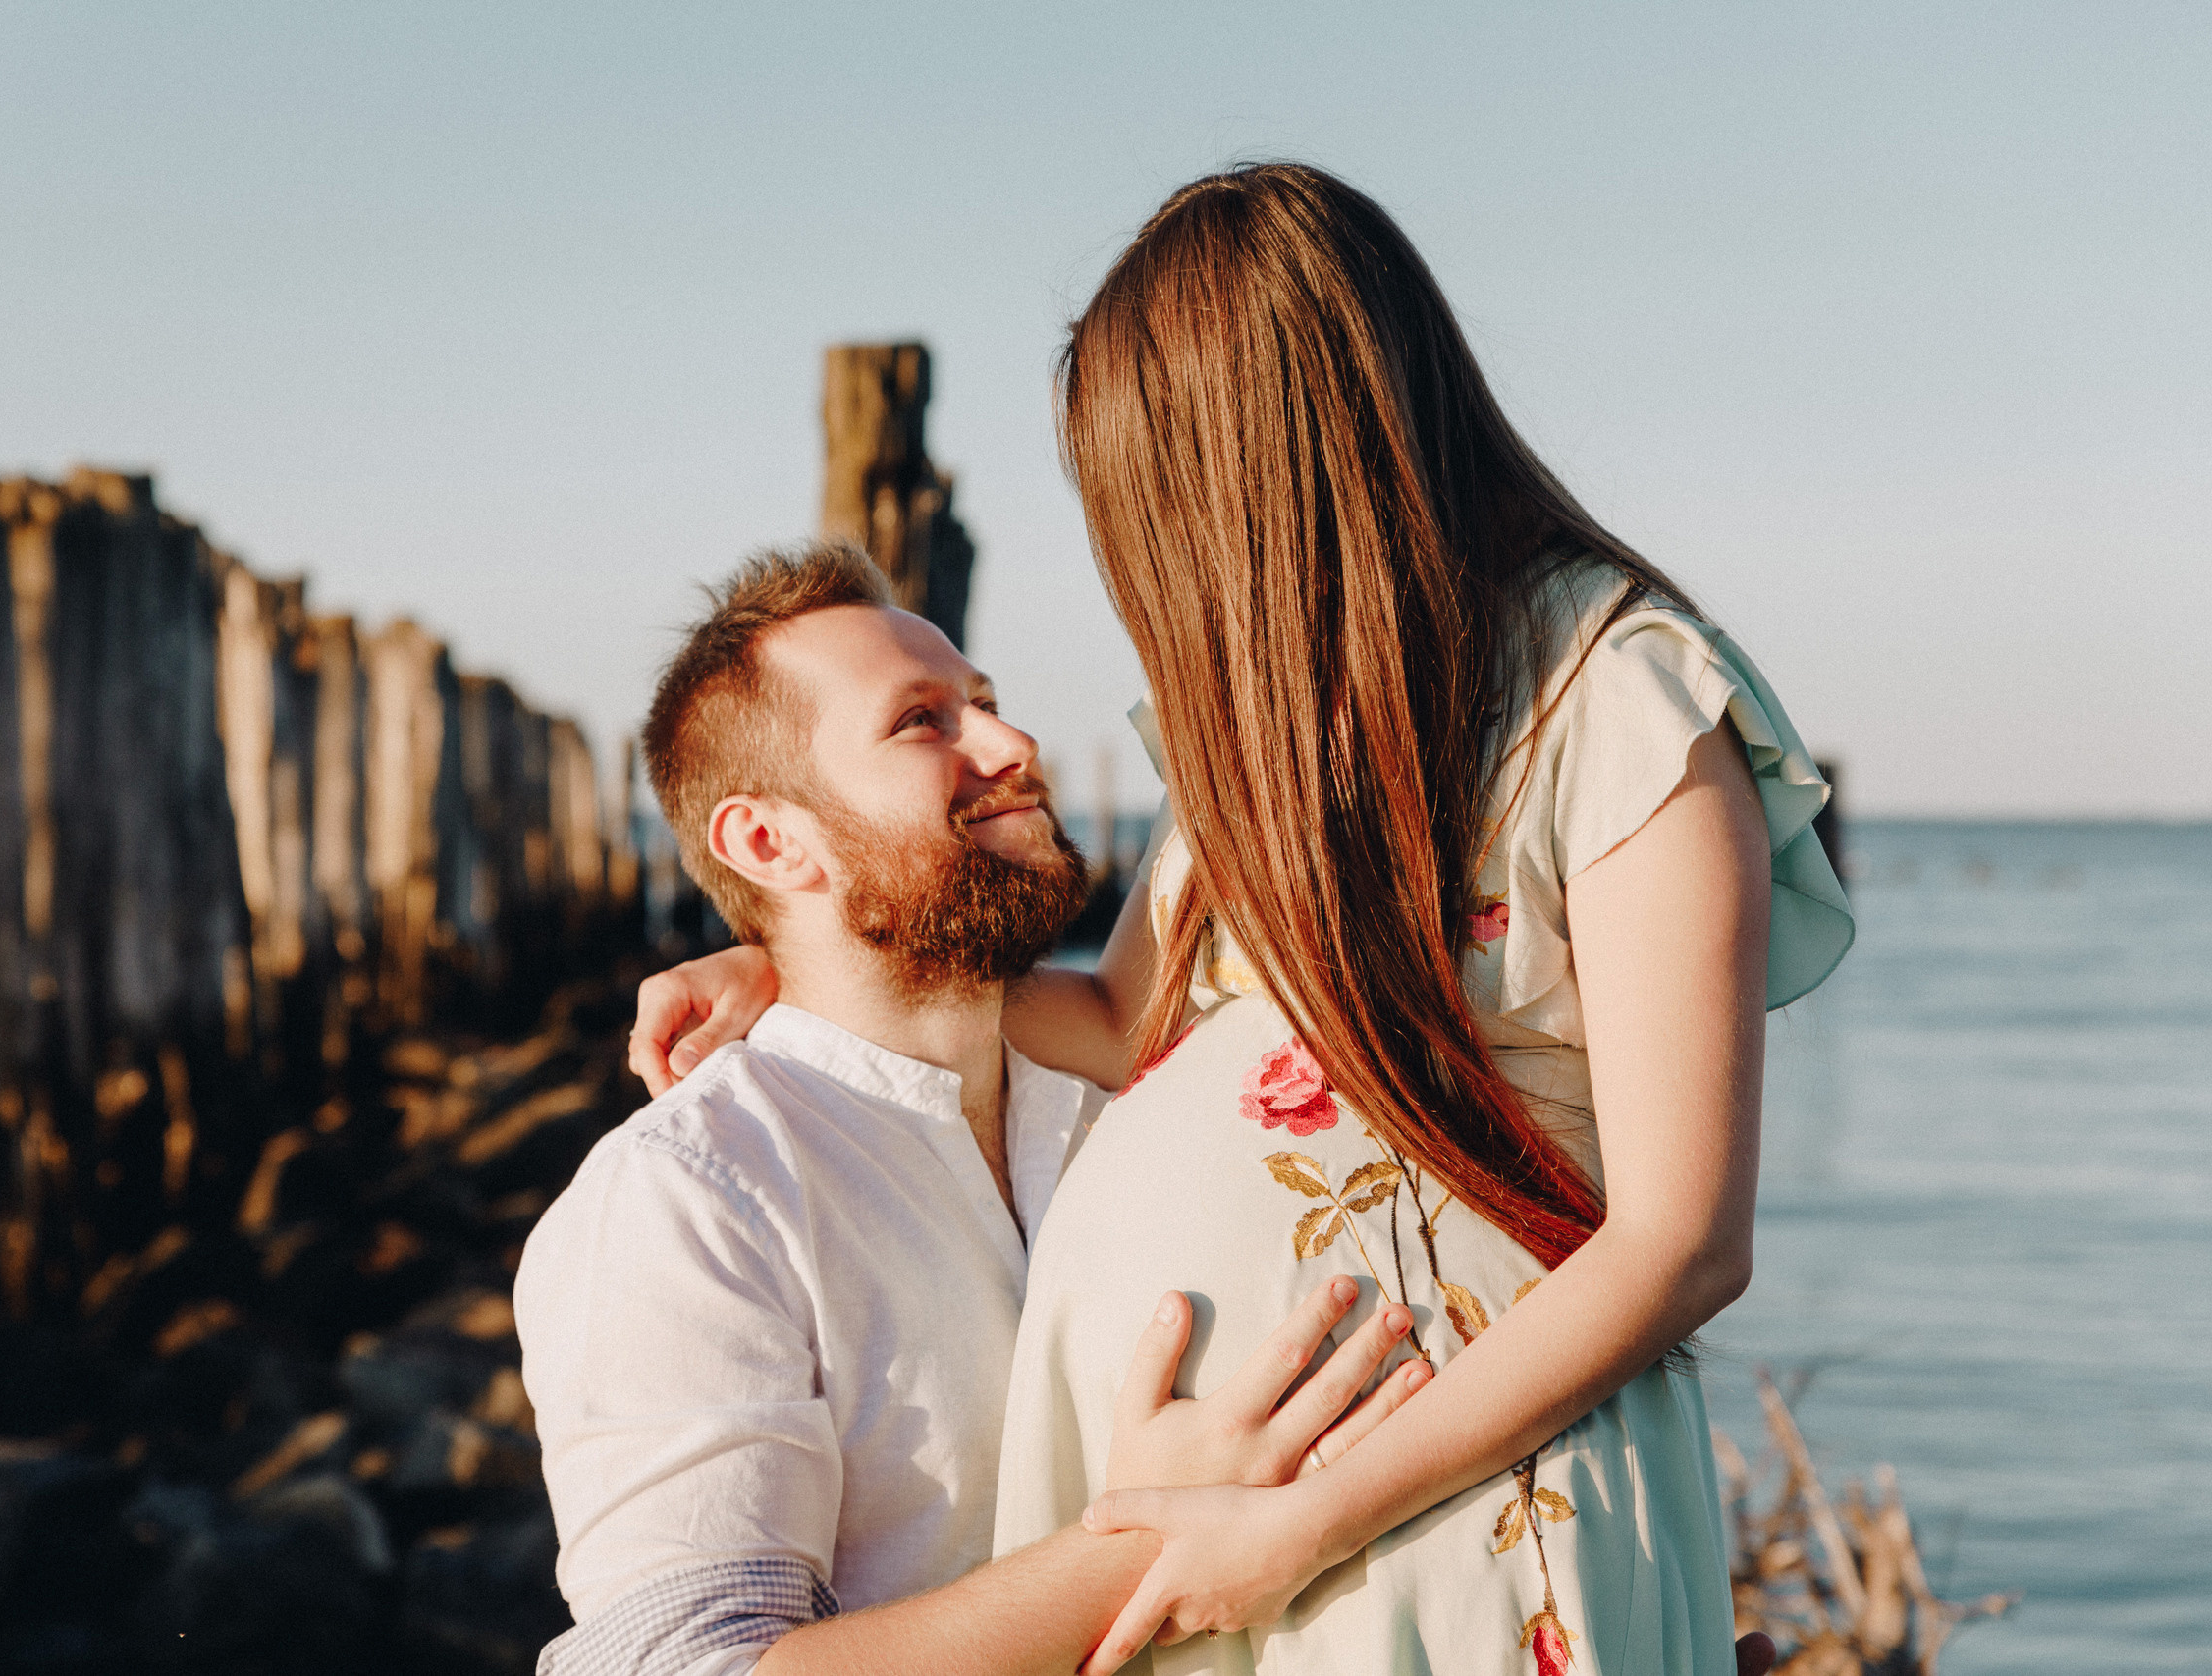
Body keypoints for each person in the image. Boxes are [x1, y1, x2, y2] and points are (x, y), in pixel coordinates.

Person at [631, 162, 1845, 1675]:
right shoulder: (1272, 731)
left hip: (1456, 1512)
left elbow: (1682, 1240)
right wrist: (803, 959)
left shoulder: (1617, 693)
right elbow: (1130, 1018)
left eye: (1155, 492)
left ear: (1266, 454)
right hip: (1254, 1539)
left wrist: (1300, 1522)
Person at [517, 543, 1430, 1676]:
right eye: (922, 722)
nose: (1012, 747)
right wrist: (1157, 1534)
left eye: (987, 706)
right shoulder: (689, 1198)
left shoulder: (1130, 1101)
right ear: (767, 842)